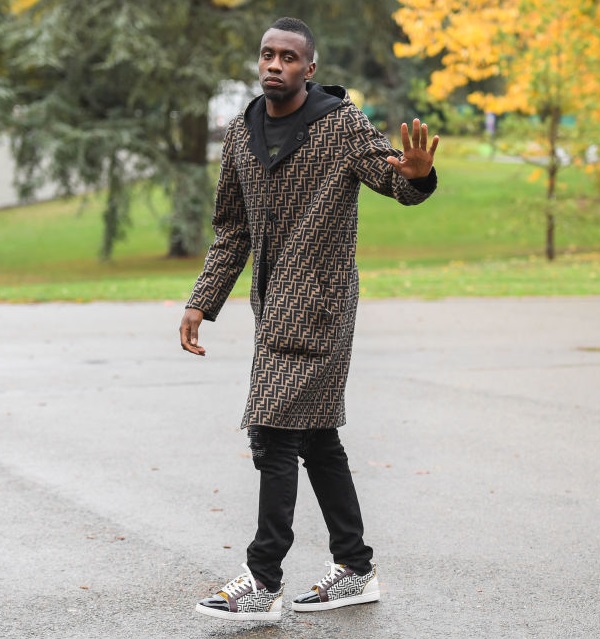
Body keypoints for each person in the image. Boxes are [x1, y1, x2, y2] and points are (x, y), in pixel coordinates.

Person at [179, 16, 439, 622]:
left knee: (272, 431)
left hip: (321, 307)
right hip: (272, 308)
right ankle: (355, 568)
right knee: (317, 438)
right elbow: (232, 229)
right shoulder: (241, 132)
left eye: (289, 57)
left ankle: (262, 580)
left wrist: (419, 175)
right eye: (268, 54)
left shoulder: (341, 124)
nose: (276, 65)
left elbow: (393, 179)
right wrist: (201, 302)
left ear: (310, 68)